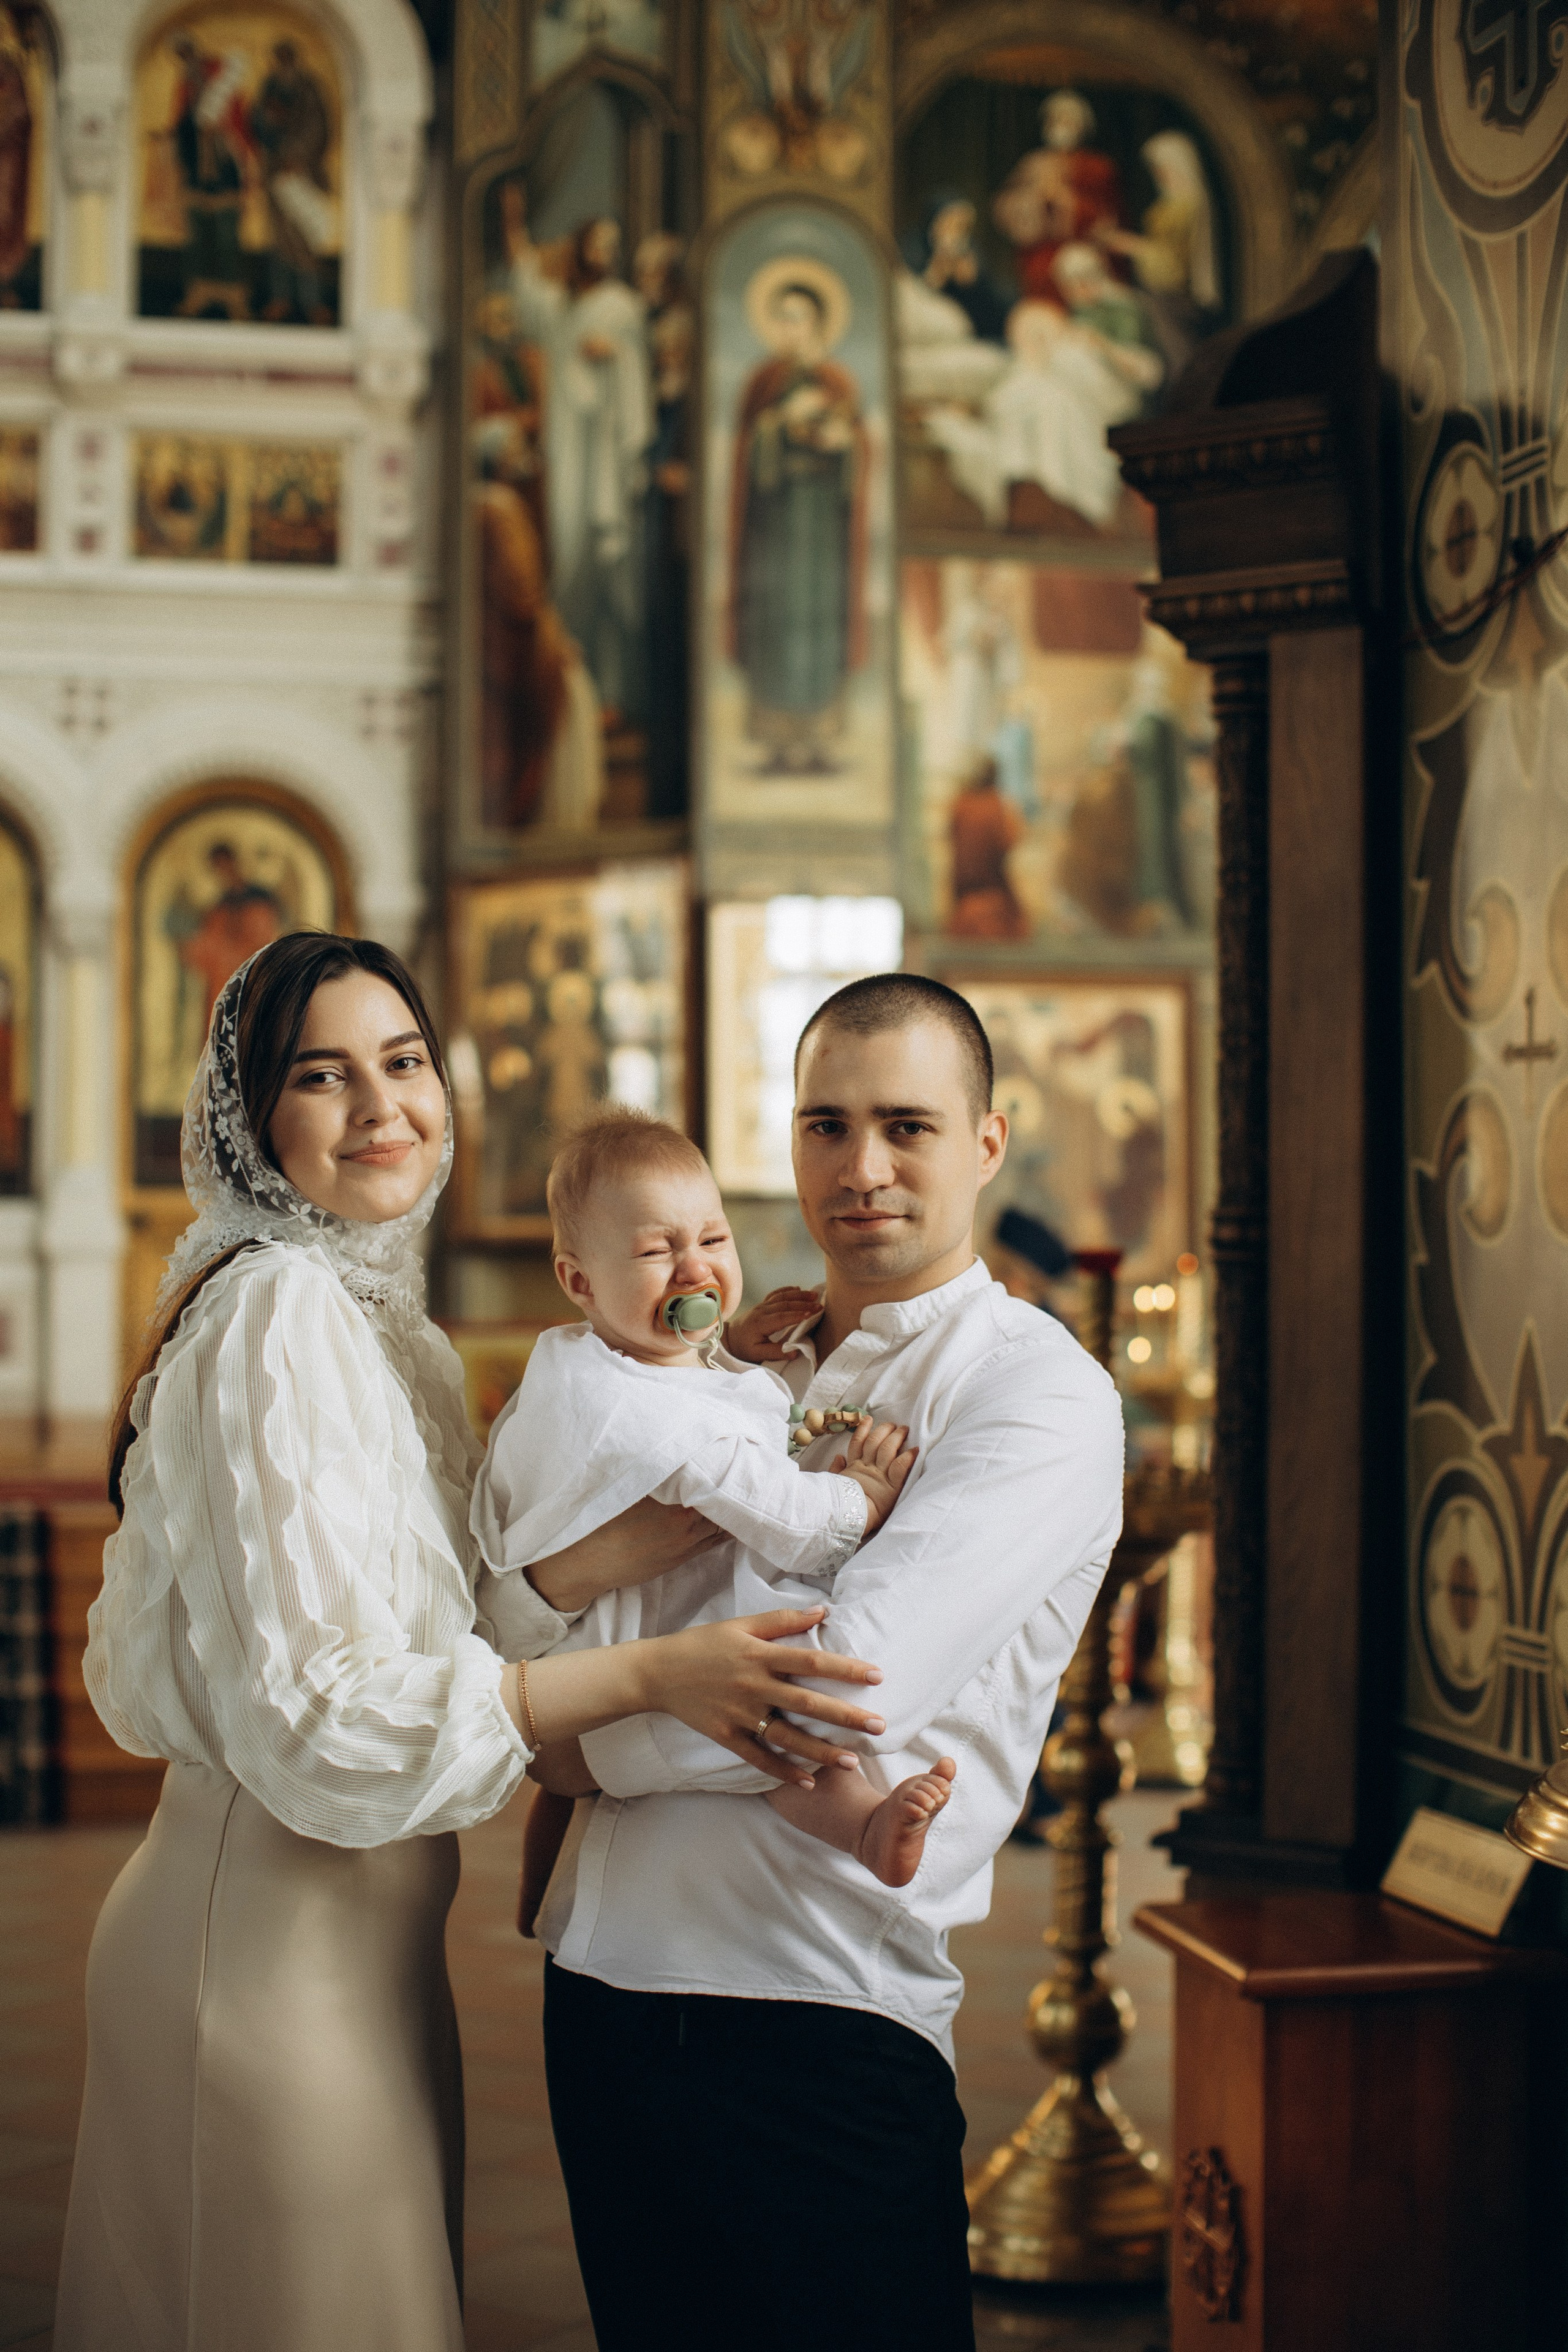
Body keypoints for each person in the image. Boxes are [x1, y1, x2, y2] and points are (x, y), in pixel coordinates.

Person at [53, 932, 886, 2352]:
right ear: (256, 1121)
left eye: (405, 1060)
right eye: (323, 1076)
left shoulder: (385, 1325)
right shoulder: (274, 1309)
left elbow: (450, 1623)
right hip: (259, 1940)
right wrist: (653, 1671)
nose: (382, 1107)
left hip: (367, 1949)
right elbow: (322, 1716)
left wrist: (652, 1475)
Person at [524, 971, 1125, 2352]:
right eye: (824, 1125)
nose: (860, 1168)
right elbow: (530, 1588)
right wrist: (551, 1675)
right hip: (603, 1983)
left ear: (986, 1141)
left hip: (812, 2010)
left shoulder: (1031, 1392)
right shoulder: (720, 1354)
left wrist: (563, 1741)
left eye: (906, 1125)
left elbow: (841, 1685)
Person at [473, 1107, 954, 1926]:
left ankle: (538, 1900)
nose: (694, 1268)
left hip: (567, 1678)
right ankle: (864, 1822)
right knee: (791, 1731)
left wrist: (725, 1353)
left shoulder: (576, 1362)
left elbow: (661, 1381)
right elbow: (791, 1523)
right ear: (579, 1281)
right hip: (631, 1697)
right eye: (658, 1251)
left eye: (713, 1240)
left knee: (574, 1790)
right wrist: (862, 1497)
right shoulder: (662, 1425)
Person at [502, 186, 652, 731]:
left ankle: (615, 691)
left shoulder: (622, 308)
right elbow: (530, 297)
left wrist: (621, 357)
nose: (606, 253)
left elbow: (640, 364)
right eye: (599, 243)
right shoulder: (566, 308)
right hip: (571, 454)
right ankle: (573, 685)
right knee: (569, 560)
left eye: (614, 245)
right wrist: (515, 232)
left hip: (608, 457)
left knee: (611, 567)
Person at [728, 279, 868, 774]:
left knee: (819, 622)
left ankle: (818, 742)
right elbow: (747, 449)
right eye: (781, 317)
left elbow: (861, 449)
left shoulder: (838, 381)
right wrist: (781, 422)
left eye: (799, 317)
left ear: (817, 323)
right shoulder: (763, 382)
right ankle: (777, 743)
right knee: (776, 623)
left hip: (823, 524)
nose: (790, 328)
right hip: (776, 525)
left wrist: (841, 440)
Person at [992, 89, 1123, 303]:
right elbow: (1006, 204)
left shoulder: (1098, 167)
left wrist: (1064, 200)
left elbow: (1107, 216)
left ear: (1081, 126)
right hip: (1040, 252)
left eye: (1067, 121)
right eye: (1055, 120)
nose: (1059, 127)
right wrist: (1032, 201)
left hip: (1082, 251)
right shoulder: (1034, 162)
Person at [249, 39, 335, 325]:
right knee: (279, 240)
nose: (282, 62)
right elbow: (258, 122)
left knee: (305, 239)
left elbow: (319, 126)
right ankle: (281, 299)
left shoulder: (309, 87)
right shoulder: (270, 87)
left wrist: (296, 155)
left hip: (303, 175)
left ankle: (313, 303)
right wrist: (269, 119)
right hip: (276, 175)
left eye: (287, 57)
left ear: (294, 59)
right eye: (279, 57)